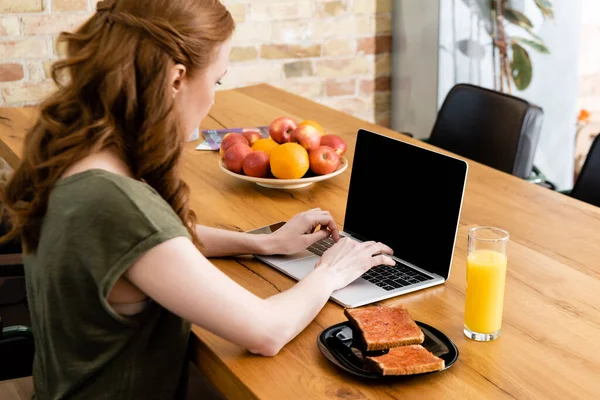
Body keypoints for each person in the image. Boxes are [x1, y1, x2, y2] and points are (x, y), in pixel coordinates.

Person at [0, 0, 395, 399]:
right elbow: (266, 330)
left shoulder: (77, 153)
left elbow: (150, 245)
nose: (212, 101)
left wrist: (260, 243)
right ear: (176, 79)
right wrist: (332, 271)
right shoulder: (116, 205)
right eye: (217, 81)